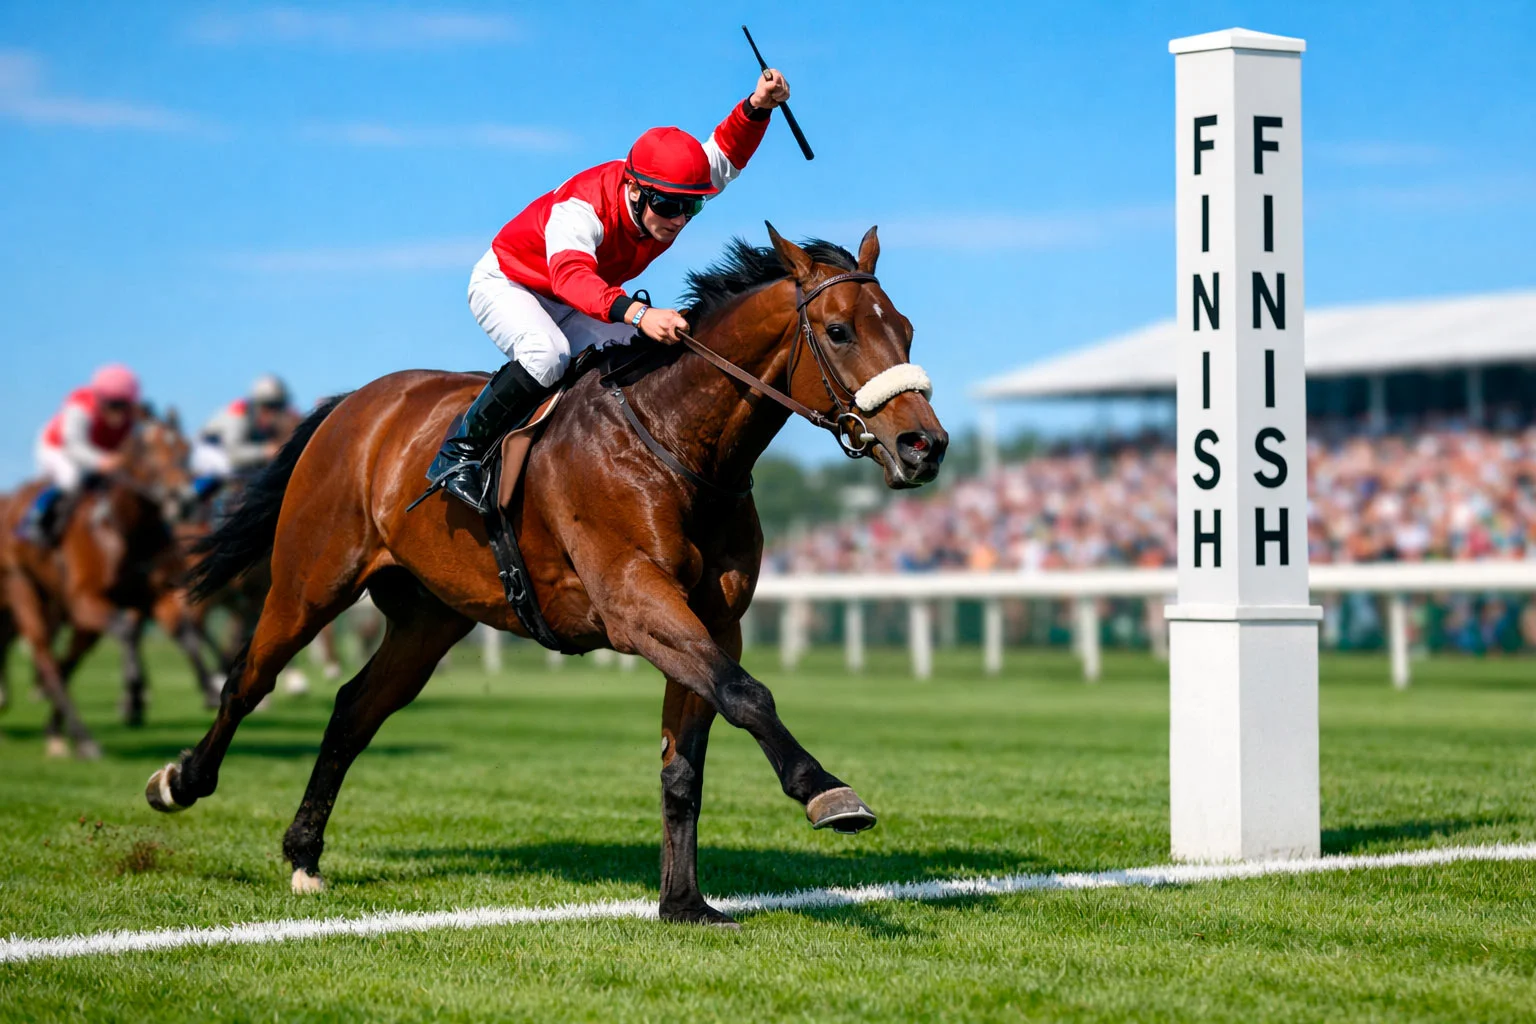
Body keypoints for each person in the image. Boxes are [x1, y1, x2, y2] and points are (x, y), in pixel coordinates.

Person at [425, 68, 793, 513]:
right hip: (511, 283)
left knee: (644, 355)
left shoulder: (668, 191)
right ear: (634, 190)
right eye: (669, 206)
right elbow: (570, 277)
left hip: (576, 297)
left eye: (691, 206)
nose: (678, 219)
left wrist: (757, 106)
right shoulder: (582, 208)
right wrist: (638, 314)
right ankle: (457, 453)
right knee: (547, 354)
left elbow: (725, 157)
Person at [20, 364, 141, 545]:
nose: (118, 413)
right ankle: (34, 520)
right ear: (100, 399)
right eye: (112, 405)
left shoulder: (133, 418)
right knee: (71, 478)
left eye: (123, 406)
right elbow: (74, 446)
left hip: (97, 454)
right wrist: (101, 461)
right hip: (57, 447)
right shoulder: (80, 407)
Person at [192, 374, 296, 480]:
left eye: (278, 407)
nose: (273, 413)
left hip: (229, 454)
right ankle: (191, 494)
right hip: (209, 448)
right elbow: (234, 455)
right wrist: (265, 451)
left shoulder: (265, 425)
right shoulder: (240, 413)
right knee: (229, 468)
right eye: (269, 406)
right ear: (257, 404)